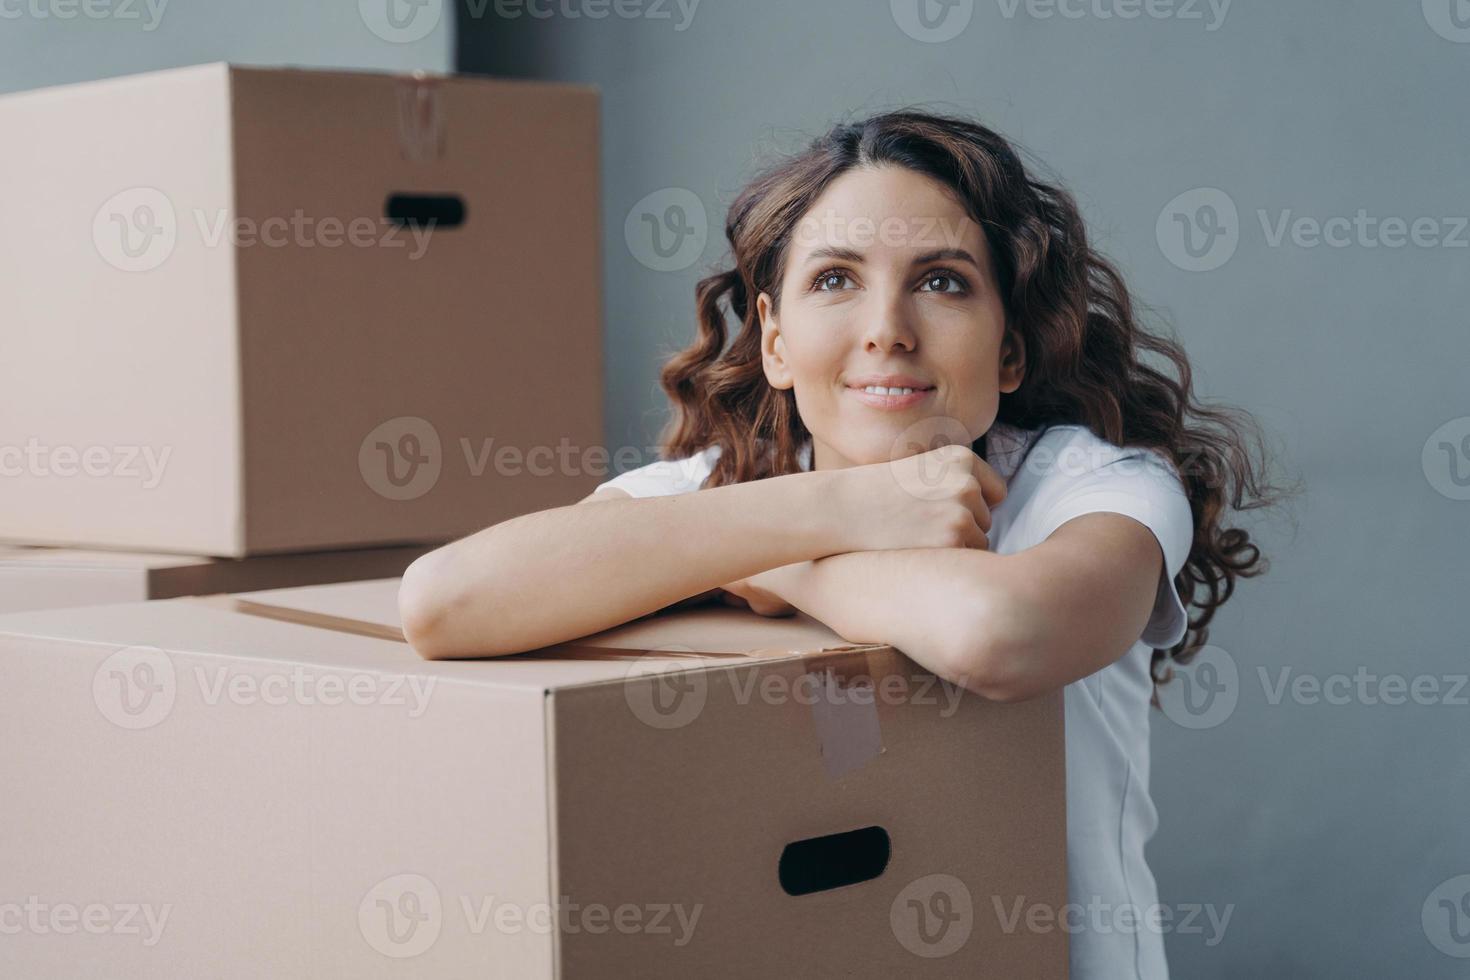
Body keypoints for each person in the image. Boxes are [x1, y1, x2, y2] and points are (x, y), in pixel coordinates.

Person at [398, 109, 1286, 978]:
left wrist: (772, 559)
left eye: (941, 281)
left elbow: (999, 635)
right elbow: (443, 603)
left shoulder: (1096, 487)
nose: (886, 328)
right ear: (776, 342)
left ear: (1009, 351)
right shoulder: (718, 489)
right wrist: (847, 508)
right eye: (834, 280)